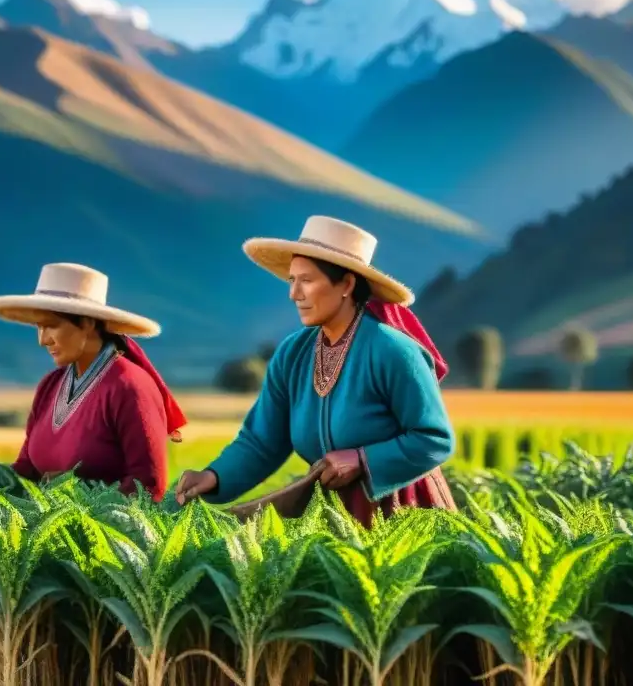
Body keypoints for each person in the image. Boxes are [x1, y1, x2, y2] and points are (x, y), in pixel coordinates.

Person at [175, 215, 457, 526]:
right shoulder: (292, 354)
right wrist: (214, 476)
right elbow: (262, 441)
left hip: (402, 514)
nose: (294, 294)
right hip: (329, 515)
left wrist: (362, 459)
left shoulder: (392, 351)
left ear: (347, 284)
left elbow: (434, 439)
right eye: (291, 281)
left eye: (306, 281)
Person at [0, 262, 187, 501]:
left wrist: (74, 492)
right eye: (38, 327)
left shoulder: (129, 386)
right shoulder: (50, 386)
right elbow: (29, 474)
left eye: (51, 326)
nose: (43, 340)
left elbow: (148, 486)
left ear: (87, 323)